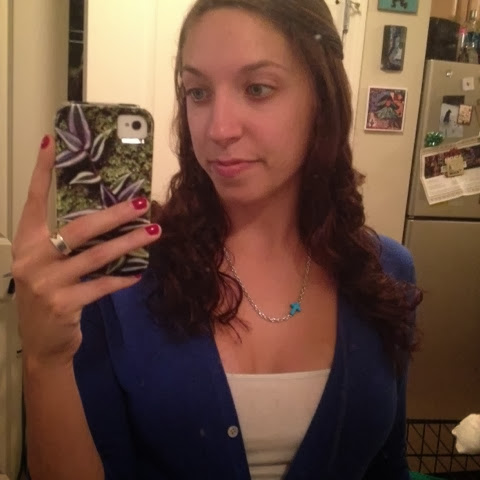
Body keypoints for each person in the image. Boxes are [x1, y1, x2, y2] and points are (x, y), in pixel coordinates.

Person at [12, 0, 422, 479]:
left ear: (322, 99)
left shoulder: (385, 274)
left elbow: (388, 466)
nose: (218, 129)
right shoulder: (124, 276)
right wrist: (45, 361)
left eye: (257, 88)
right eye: (198, 92)